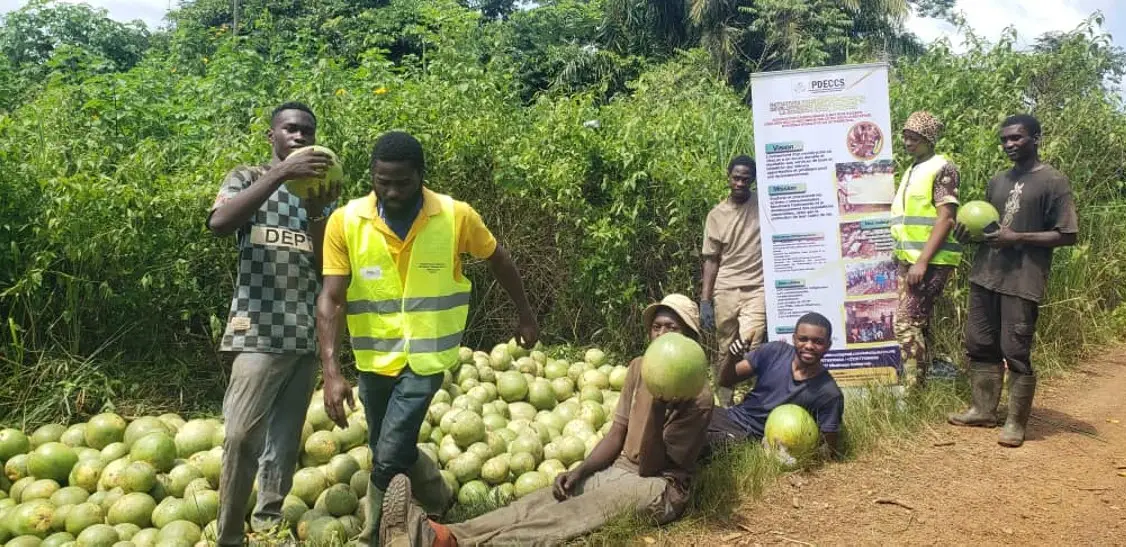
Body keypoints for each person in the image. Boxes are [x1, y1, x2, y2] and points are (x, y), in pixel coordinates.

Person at [316, 131, 540, 543]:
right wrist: (331, 371)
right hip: (374, 359)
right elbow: (330, 298)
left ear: (420, 175)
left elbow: (499, 259)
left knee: (384, 458)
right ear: (372, 175)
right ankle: (438, 493)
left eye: (403, 181)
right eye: (383, 181)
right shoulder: (345, 221)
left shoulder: (456, 216)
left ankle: (372, 535)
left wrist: (526, 315)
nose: (393, 191)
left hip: (426, 359)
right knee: (390, 444)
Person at [377, 294, 714, 547]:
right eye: (657, 326)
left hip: (660, 485)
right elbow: (617, 433)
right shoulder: (640, 366)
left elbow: (650, 468)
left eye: (672, 327)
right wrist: (580, 471)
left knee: (567, 516)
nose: (662, 334)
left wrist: (657, 403)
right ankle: (442, 537)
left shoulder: (697, 395)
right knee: (542, 500)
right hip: (620, 469)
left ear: (688, 338)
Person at [206, 101, 341, 545]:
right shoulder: (246, 177)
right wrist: (280, 174)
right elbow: (221, 222)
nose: (300, 137)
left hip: (303, 333)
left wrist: (320, 213)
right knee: (242, 436)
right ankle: (229, 535)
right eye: (290, 129)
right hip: (259, 332)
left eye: (307, 131)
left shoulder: (321, 192)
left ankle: (268, 518)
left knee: (283, 440)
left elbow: (326, 269)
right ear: (273, 136)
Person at [948, 114, 1078, 448]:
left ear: (1036, 137)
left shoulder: (1053, 181)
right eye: (1005, 140)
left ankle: (1016, 423)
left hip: (1023, 279)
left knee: (1015, 349)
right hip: (986, 275)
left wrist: (1017, 237)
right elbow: (991, 229)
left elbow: (1066, 235)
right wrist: (968, 235)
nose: (1009, 145)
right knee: (979, 344)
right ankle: (983, 409)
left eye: (1017, 138)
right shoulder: (998, 180)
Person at [705, 312, 844, 460]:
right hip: (731, 417)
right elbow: (725, 381)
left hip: (750, 439)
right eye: (803, 339)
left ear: (828, 345)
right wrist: (732, 356)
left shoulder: (829, 394)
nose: (809, 346)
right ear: (794, 339)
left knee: (702, 442)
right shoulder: (775, 351)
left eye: (818, 342)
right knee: (687, 414)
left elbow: (829, 450)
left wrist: (791, 455)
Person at [890, 111, 962, 388]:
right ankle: (924, 386)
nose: (908, 142)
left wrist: (922, 262)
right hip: (908, 259)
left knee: (906, 324)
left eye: (915, 138)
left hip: (931, 261)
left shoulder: (942, 168)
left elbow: (946, 218)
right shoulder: (914, 168)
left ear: (929, 140)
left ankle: (912, 395)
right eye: (906, 136)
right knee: (918, 324)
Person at [701, 155, 766, 406]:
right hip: (726, 288)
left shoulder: (763, 204)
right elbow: (711, 259)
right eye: (736, 178)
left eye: (745, 179)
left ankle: (752, 399)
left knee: (753, 344)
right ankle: (725, 400)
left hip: (756, 288)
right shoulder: (716, 215)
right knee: (726, 346)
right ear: (728, 178)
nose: (740, 183)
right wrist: (705, 300)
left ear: (753, 180)